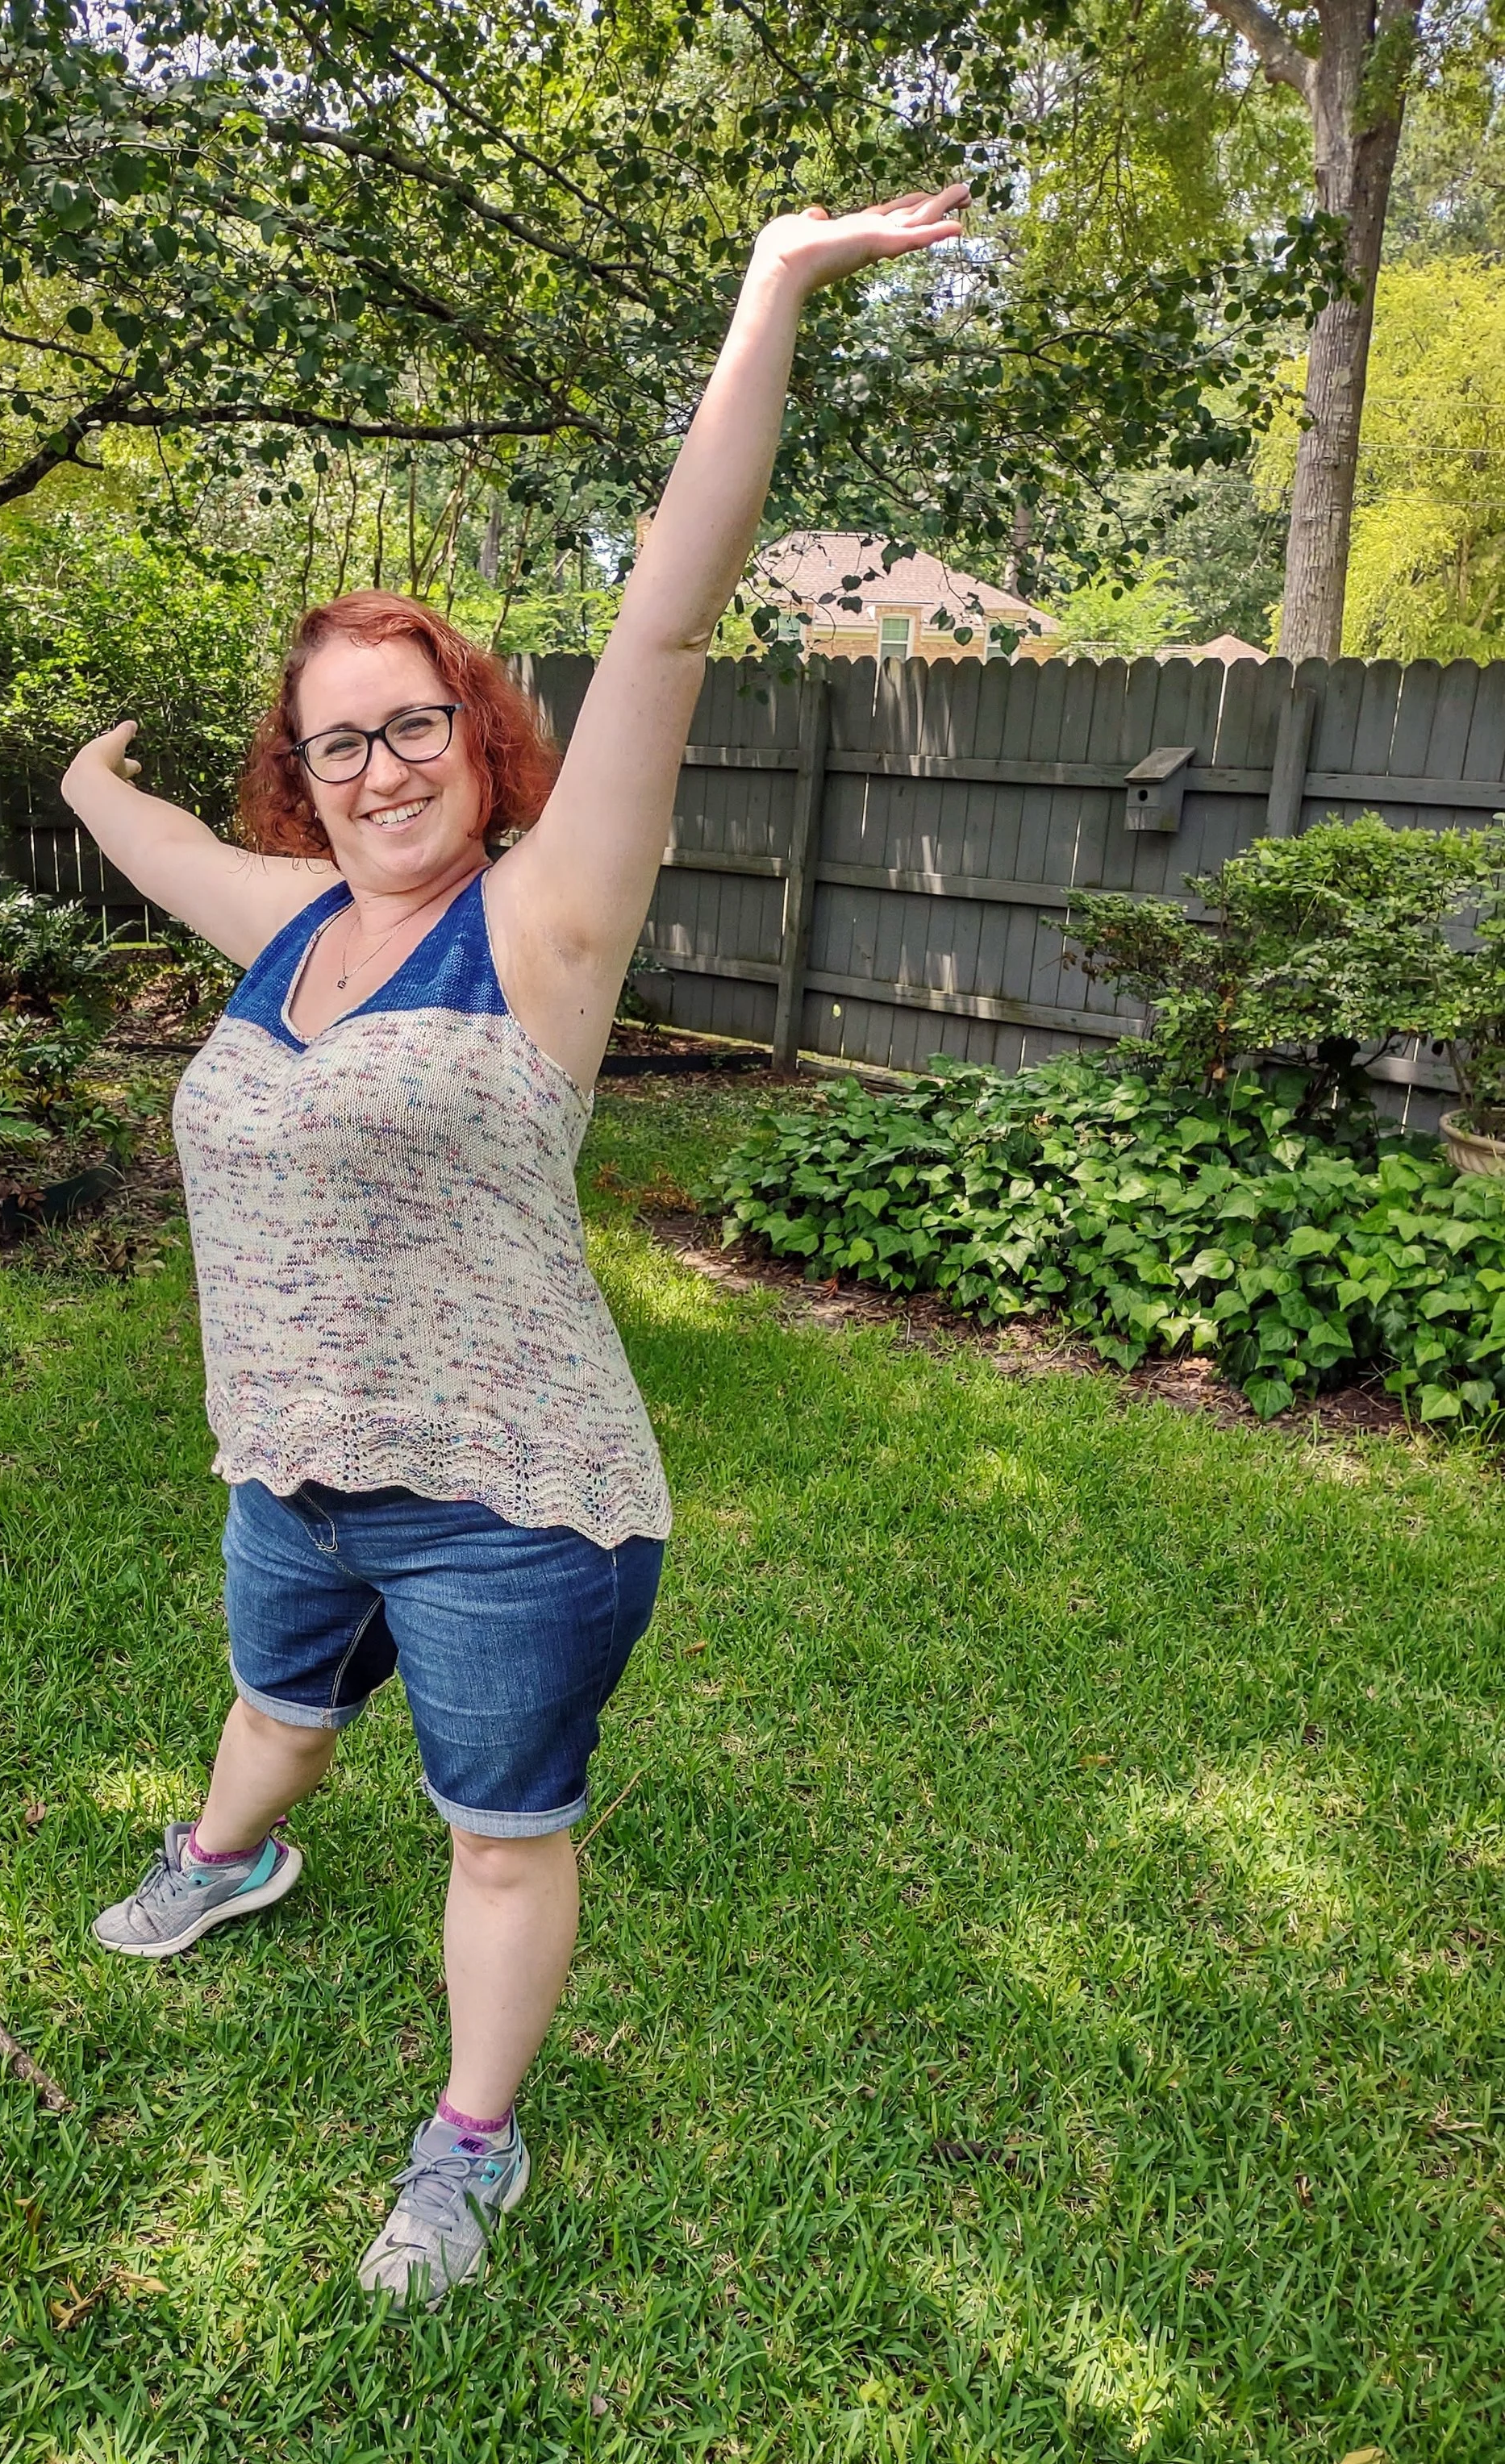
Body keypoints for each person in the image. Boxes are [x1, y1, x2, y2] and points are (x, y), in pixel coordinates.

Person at [61, 187, 969, 2306]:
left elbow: (661, 618)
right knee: (272, 1706)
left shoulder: (538, 924)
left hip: (505, 1503)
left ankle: (471, 2139)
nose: (374, 764)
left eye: (410, 721)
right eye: (332, 737)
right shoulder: (284, 920)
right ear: (302, 775)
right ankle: (228, 1856)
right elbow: (167, 838)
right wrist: (86, 784)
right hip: (288, 1457)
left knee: (496, 1825)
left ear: (477, 743)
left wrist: (769, 286)